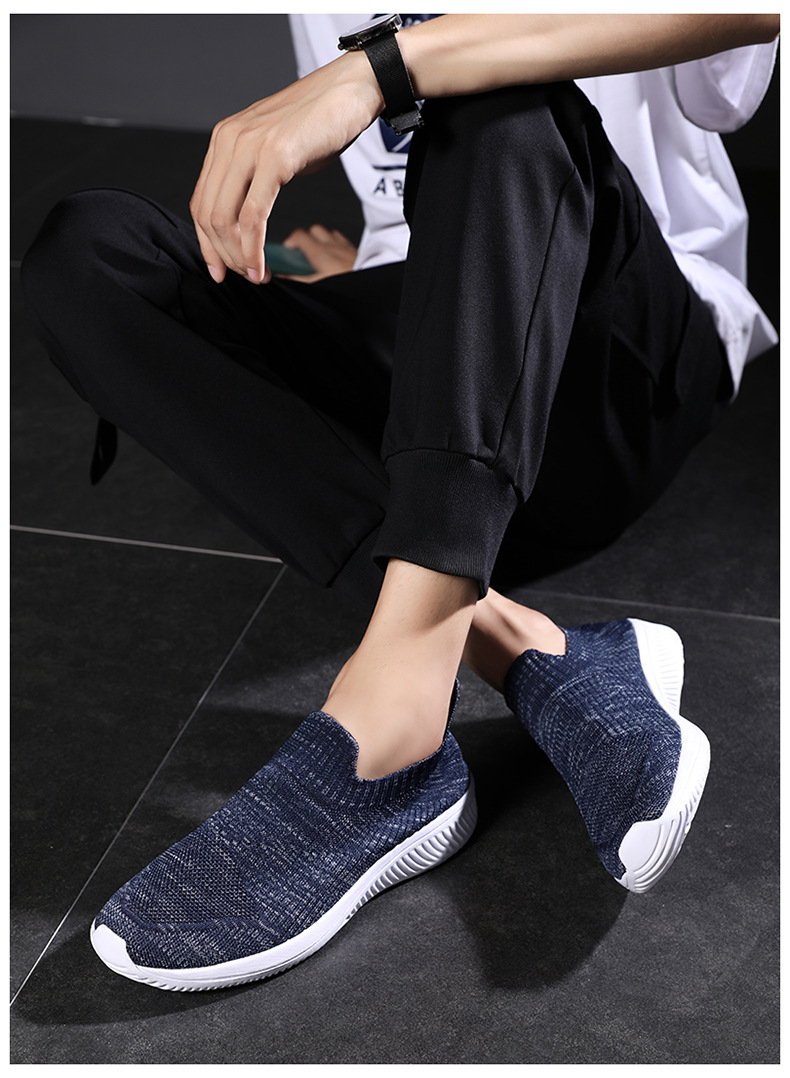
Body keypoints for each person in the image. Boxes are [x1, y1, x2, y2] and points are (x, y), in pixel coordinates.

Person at [21, 13, 779, 992]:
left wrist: (379, 67)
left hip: (620, 369)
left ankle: (392, 736)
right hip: (446, 411)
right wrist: (366, 284)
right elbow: (410, 197)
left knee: (498, 95)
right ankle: (517, 642)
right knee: (89, 254)